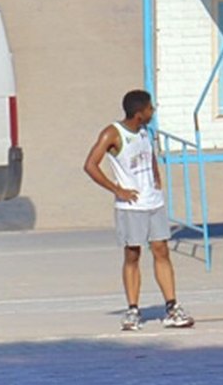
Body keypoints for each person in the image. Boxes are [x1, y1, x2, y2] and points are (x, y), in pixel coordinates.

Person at [83, 89, 194, 331]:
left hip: (153, 202)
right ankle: (133, 309)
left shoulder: (145, 131)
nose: (153, 111)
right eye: (149, 108)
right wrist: (116, 189)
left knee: (161, 250)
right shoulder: (113, 133)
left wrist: (155, 175)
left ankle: (172, 307)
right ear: (139, 114)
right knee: (133, 254)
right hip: (131, 206)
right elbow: (90, 165)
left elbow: (149, 154)